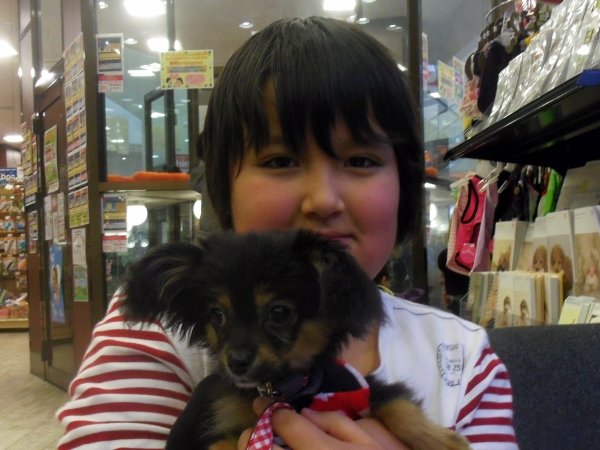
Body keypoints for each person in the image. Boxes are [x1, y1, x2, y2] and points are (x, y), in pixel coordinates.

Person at [57, 17, 518, 449]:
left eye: (360, 160)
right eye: (280, 161)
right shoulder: (155, 334)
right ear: (223, 187)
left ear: (405, 182)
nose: (323, 199)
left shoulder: (463, 361)